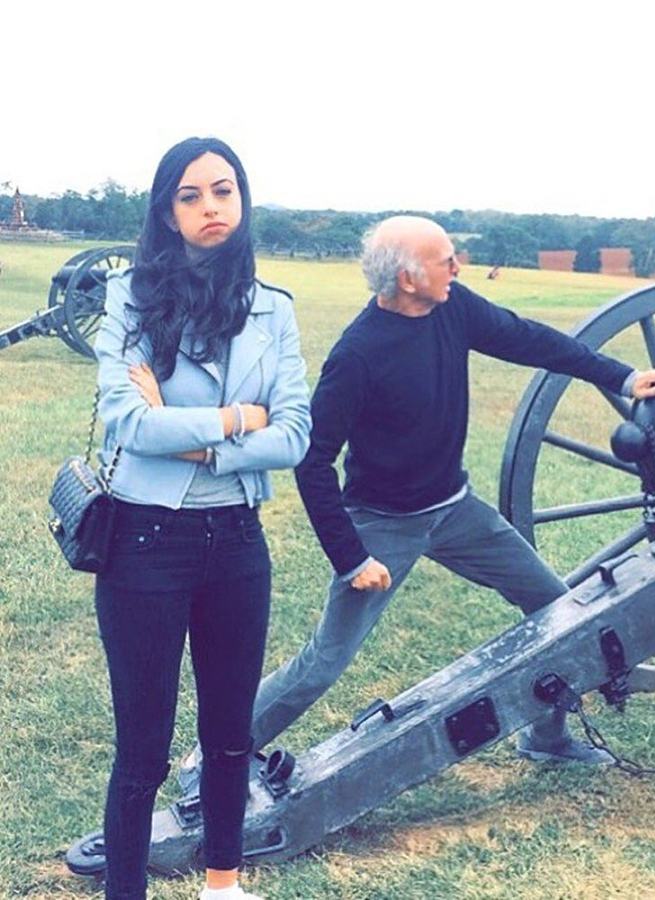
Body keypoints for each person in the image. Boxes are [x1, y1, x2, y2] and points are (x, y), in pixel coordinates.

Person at [180, 214, 655, 788]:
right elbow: (312, 458)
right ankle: (215, 753)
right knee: (325, 660)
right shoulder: (357, 356)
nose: (458, 266)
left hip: (456, 511)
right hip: (382, 525)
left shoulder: (453, 307)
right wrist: (351, 558)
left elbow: (528, 338)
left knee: (555, 610)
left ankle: (547, 736)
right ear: (406, 278)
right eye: (445, 260)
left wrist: (622, 377)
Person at [92, 136, 311, 900]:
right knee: (143, 751)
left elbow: (293, 435)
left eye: (223, 190)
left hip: (238, 545)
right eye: (190, 196)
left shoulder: (273, 310)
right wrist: (238, 420)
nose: (210, 207)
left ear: (242, 200)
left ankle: (224, 885)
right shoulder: (130, 298)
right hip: (145, 545)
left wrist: (203, 438)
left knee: (229, 739)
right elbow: (129, 424)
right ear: (167, 211)